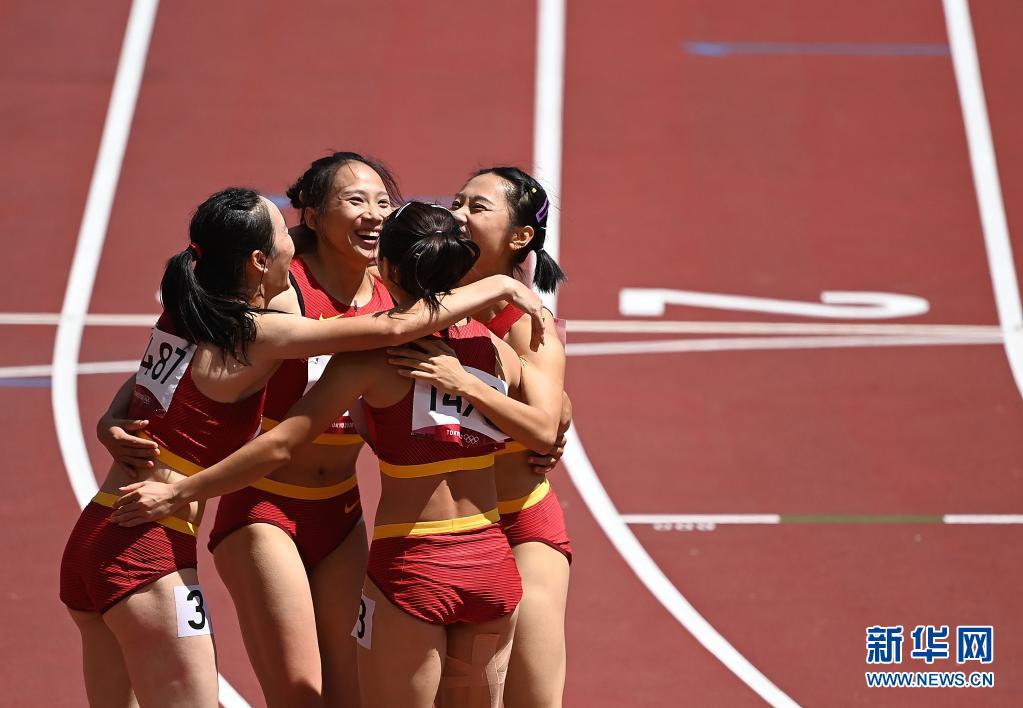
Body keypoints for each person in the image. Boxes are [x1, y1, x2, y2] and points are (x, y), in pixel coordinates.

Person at [65, 189, 545, 708]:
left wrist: (108, 420)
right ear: (258, 260)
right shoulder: (256, 332)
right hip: (146, 542)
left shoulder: (189, 310)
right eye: (286, 235)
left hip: (101, 527)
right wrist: (499, 284)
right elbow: (400, 325)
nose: (296, 244)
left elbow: (144, 381)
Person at [398, 167, 573, 707]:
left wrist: (465, 384)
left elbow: (545, 426)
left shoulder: (528, 323)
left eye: (477, 207)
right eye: (456, 202)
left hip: (520, 523)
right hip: (437, 531)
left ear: (520, 236)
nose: (457, 215)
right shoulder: (420, 299)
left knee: (531, 697)